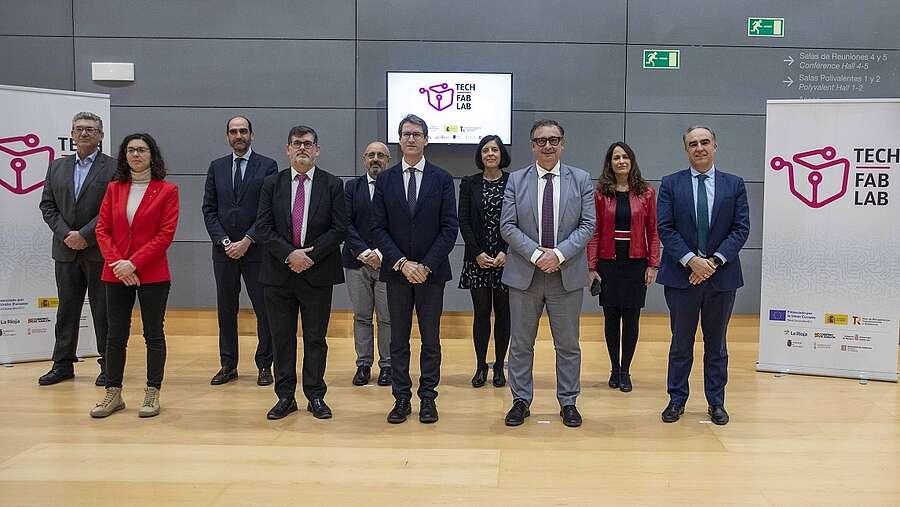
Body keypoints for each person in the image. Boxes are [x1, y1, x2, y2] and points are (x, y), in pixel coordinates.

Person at [500, 119, 595, 428]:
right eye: (541, 140)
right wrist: (538, 254)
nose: (548, 145)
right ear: (532, 145)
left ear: (563, 143)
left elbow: (588, 224)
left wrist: (560, 254)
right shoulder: (516, 180)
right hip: (525, 272)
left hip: (565, 273)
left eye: (554, 139)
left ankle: (568, 401)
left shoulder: (580, 179)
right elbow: (507, 225)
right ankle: (520, 400)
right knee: (521, 343)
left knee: (567, 344)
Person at [657, 126, 750, 426]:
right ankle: (676, 399)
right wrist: (692, 261)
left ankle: (716, 402)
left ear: (715, 146)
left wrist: (713, 262)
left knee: (716, 344)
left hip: (721, 278)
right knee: (680, 343)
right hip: (681, 277)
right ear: (686, 149)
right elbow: (665, 228)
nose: (699, 148)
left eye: (705, 142)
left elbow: (741, 229)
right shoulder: (671, 184)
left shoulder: (734, 185)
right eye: (693, 144)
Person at [255, 125, 346, 421]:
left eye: (308, 143)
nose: (302, 148)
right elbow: (263, 228)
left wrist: (309, 256)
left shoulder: (333, 184)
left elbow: (339, 229)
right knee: (281, 337)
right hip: (278, 274)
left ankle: (315, 395)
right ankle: (285, 397)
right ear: (287, 149)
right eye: (296, 143)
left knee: (316, 338)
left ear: (317, 149)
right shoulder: (272, 183)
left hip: (317, 274)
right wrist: (289, 255)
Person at [371, 114, 458, 424]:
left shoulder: (442, 178)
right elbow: (378, 228)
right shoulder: (385, 179)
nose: (410, 139)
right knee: (398, 339)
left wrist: (424, 265)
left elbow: (449, 228)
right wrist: (403, 263)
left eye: (416, 134)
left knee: (431, 339)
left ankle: (428, 397)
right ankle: (401, 397)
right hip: (396, 272)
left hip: (431, 274)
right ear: (399, 139)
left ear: (426, 139)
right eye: (405, 134)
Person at [90, 133, 179, 418]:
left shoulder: (167, 190)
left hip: (152, 273)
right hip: (115, 273)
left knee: (153, 334)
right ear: (123, 155)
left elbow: (165, 235)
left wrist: (133, 264)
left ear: (152, 154)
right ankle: (112, 393)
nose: (136, 155)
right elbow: (102, 229)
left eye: (141, 150)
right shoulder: (114, 189)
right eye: (130, 150)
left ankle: (153, 391)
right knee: (114, 335)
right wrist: (119, 264)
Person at [38, 112, 116, 386]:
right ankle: (62, 365)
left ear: (101, 136)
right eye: (79, 129)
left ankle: (108, 367)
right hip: (65, 250)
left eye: (91, 130)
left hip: (98, 251)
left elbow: (111, 209)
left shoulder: (114, 168)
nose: (84, 133)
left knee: (102, 311)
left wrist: (85, 235)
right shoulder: (56, 167)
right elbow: (47, 206)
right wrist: (66, 235)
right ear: (71, 134)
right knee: (67, 310)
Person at [202, 116, 278, 387]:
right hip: (224, 253)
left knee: (264, 310)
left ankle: (264, 365)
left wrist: (247, 240)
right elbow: (209, 209)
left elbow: (268, 210)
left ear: (252, 135)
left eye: (243, 131)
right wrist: (224, 242)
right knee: (226, 309)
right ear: (227, 137)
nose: (239, 136)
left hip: (257, 251)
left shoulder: (268, 166)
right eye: (233, 132)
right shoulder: (217, 167)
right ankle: (228, 365)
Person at [586, 142, 659, 393]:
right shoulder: (600, 193)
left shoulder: (646, 192)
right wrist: (591, 266)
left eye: (625, 156)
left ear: (632, 161)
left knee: (631, 319)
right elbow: (594, 232)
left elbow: (653, 231)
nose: (621, 161)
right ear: (610, 162)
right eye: (616, 157)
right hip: (608, 263)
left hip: (636, 262)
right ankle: (614, 369)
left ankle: (626, 370)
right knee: (610, 318)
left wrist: (653, 264)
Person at [458, 135, 511, 388]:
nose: (490, 154)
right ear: (480, 155)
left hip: (505, 259)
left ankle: (500, 366)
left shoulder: (513, 182)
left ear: (501, 155)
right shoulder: (469, 183)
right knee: (481, 314)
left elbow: (520, 220)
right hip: (477, 259)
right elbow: (463, 221)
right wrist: (477, 252)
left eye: (495, 150)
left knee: (503, 314)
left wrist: (505, 251)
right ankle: (481, 366)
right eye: (486, 150)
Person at [342, 141, 392, 387]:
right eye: (371, 155)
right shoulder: (352, 187)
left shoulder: (395, 186)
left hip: (387, 264)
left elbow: (399, 226)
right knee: (361, 316)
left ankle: (387, 366)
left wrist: (381, 254)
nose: (375, 159)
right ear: (364, 159)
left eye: (380, 155)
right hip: (356, 262)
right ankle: (363, 365)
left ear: (388, 160)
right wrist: (364, 252)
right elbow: (345, 223)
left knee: (386, 317)